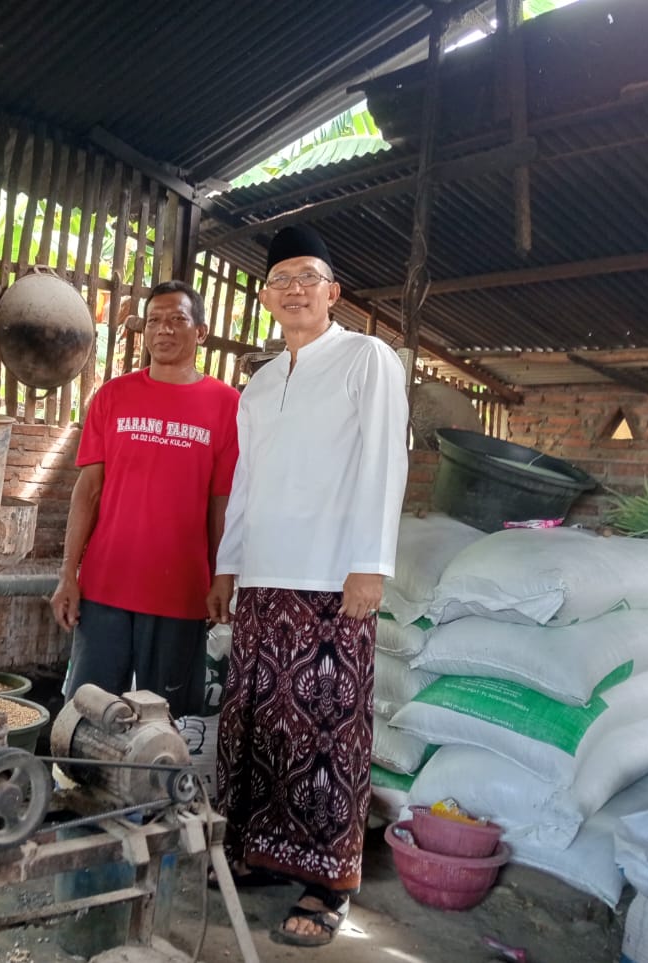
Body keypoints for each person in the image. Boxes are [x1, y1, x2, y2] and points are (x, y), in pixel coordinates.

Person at [207, 224, 409, 947]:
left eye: (308, 277)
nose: (294, 289)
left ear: (333, 292)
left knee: (326, 731)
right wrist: (229, 564)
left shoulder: (367, 358)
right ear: (265, 297)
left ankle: (327, 881)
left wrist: (370, 562)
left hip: (331, 578)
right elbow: (247, 482)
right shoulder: (259, 383)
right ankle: (261, 853)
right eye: (281, 279)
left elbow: (386, 458)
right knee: (257, 725)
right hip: (263, 577)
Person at [51, 280, 240, 719]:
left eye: (178, 319)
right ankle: (77, 786)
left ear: (202, 331)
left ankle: (154, 791)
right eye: (155, 320)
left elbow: (221, 503)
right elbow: (88, 491)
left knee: (167, 723)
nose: (164, 330)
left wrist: (221, 576)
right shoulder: (113, 397)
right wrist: (68, 573)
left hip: (180, 592)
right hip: (105, 588)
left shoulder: (226, 406)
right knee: (85, 717)